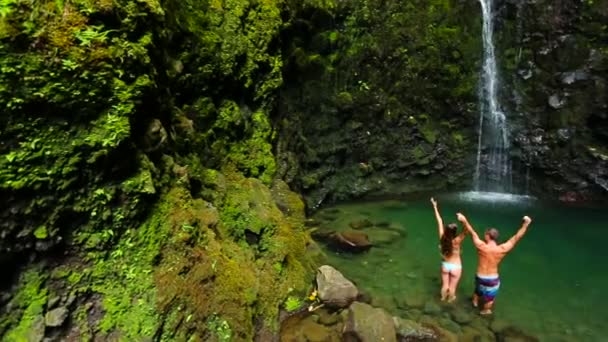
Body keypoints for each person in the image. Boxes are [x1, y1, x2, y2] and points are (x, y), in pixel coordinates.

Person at [456, 213, 532, 315]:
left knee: (477, 290)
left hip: (480, 275)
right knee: (490, 298)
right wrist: (525, 225)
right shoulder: (502, 249)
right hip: (492, 278)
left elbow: (472, 232)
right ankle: (485, 310)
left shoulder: (481, 246)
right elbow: (516, 237)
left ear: (487, 236)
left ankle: (474, 303)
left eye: (485, 234)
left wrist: (464, 220)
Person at [431, 198, 467, 302]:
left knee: (445, 285)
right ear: (455, 232)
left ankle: (442, 298)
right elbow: (466, 231)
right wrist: (464, 221)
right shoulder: (457, 241)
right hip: (456, 266)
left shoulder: (442, 237)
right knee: (452, 288)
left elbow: (439, 220)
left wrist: (435, 206)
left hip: (446, 265)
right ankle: (450, 300)